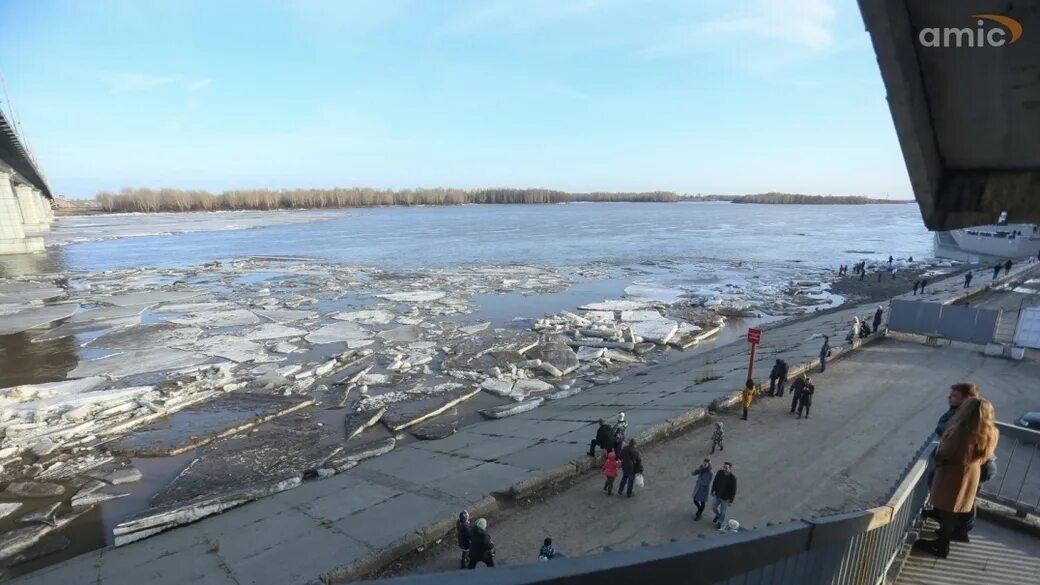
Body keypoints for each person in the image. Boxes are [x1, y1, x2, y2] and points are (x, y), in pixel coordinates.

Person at [914, 398, 999, 558]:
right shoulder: (991, 432)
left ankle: (941, 546)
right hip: (972, 473)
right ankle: (944, 538)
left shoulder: (959, 432)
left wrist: (938, 458)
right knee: (954, 509)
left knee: (947, 510)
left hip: (952, 475)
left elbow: (945, 454)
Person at [711, 462, 737, 529]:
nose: (724, 469)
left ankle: (720, 522)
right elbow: (715, 481)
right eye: (724, 467)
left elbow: (733, 490)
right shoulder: (720, 473)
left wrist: (731, 501)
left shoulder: (732, 478)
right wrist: (712, 490)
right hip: (717, 494)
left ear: (730, 468)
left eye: (726, 468)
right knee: (713, 507)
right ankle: (718, 515)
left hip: (725, 498)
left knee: (723, 511)